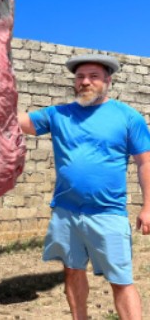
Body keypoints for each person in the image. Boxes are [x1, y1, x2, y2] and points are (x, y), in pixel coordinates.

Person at [18, 53, 150, 320]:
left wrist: (148, 207)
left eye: (93, 76)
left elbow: (145, 163)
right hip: (66, 212)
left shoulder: (128, 117)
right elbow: (20, 124)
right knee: (72, 270)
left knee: (121, 279)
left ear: (108, 81)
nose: (85, 82)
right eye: (80, 77)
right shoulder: (59, 115)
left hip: (108, 213)